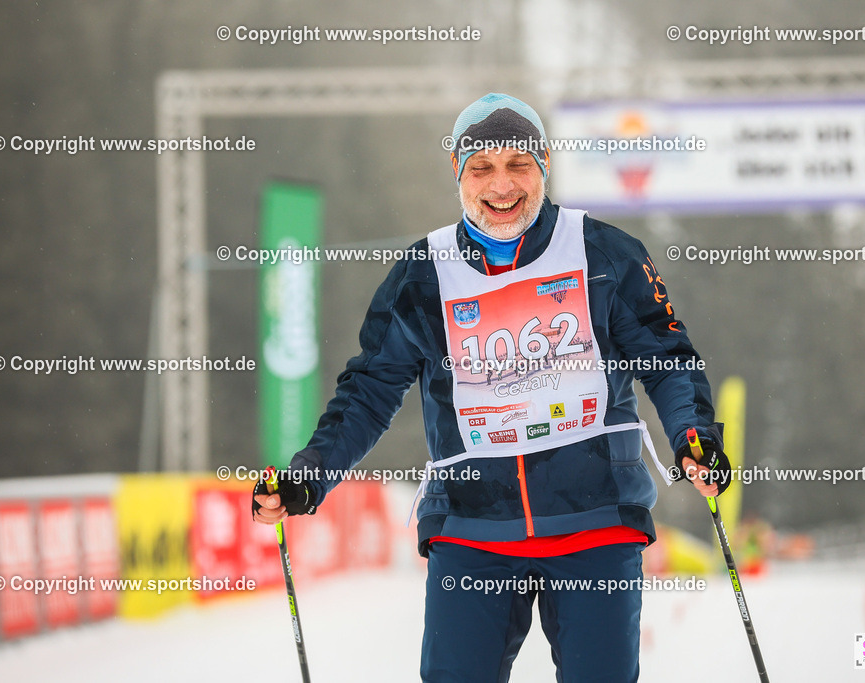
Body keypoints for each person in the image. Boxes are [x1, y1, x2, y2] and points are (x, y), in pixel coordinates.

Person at [252, 93, 732, 682]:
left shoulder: (604, 254)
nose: (501, 185)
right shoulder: (423, 273)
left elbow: (668, 360)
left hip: (595, 519)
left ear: (544, 166)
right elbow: (369, 390)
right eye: (481, 168)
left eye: (517, 165)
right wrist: (309, 474)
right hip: (472, 526)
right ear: (458, 173)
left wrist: (693, 434)